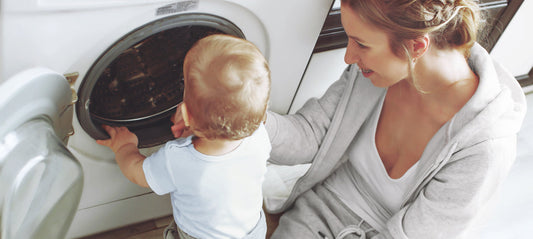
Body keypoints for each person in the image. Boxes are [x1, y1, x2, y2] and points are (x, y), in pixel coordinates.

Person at [171, 0, 527, 238]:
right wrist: (227, 118)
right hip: (316, 213)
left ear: (416, 46)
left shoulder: (483, 147)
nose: (347, 57)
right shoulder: (373, 74)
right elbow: (309, 135)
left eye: (361, 43)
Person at [96, 34, 272, 239]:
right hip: (252, 231)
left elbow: (138, 173)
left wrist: (124, 147)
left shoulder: (177, 159)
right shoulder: (260, 136)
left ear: (185, 113)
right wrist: (195, 128)